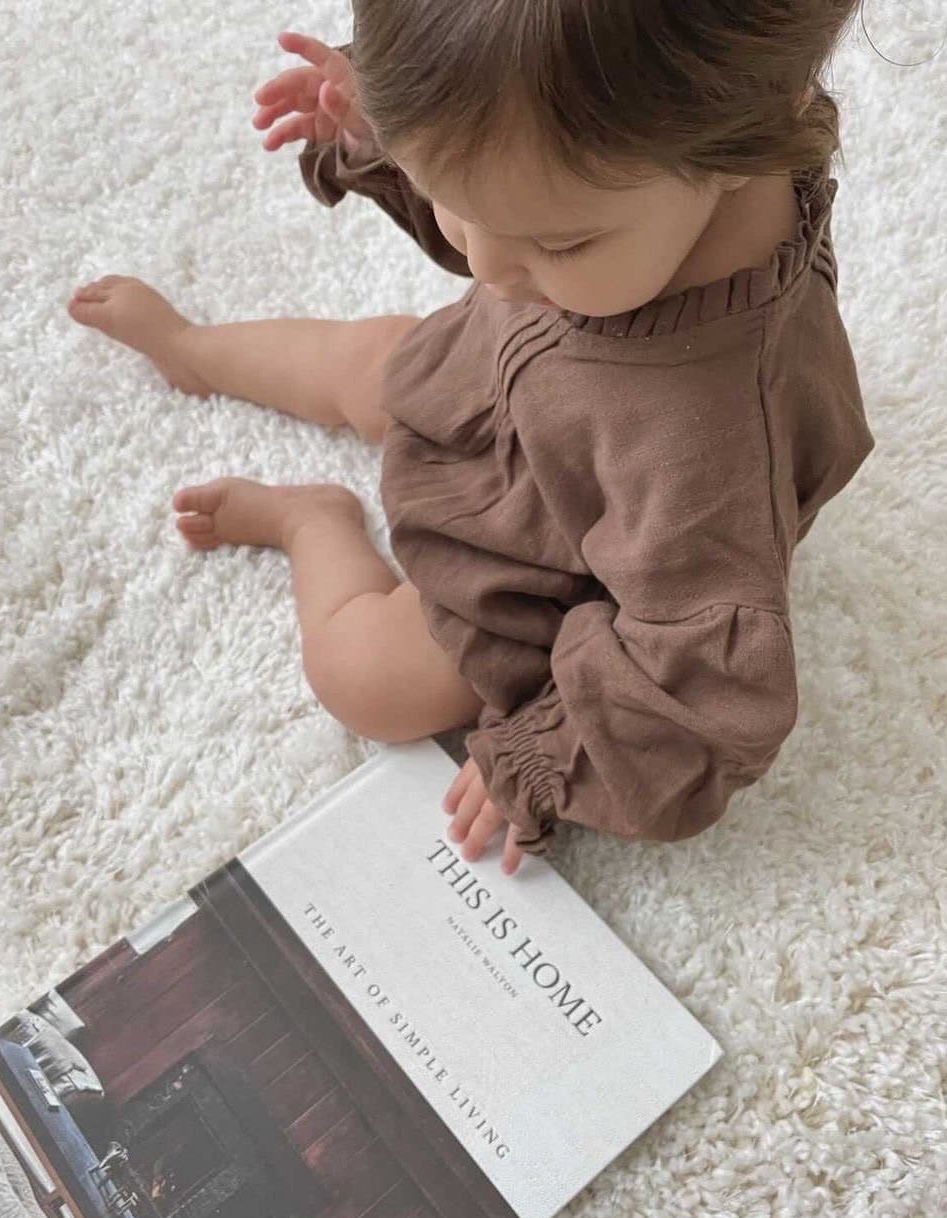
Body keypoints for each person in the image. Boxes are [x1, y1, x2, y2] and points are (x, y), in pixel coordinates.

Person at [69, 2, 873, 875]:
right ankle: (193, 350)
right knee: (373, 358)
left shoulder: (708, 450)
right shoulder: (649, 154)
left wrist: (549, 751)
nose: (486, 267)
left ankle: (312, 522)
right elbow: (508, 122)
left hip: (558, 549)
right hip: (502, 379)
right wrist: (383, 124)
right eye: (455, 208)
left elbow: (707, 690)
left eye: (558, 241)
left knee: (372, 682)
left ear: (749, 135)